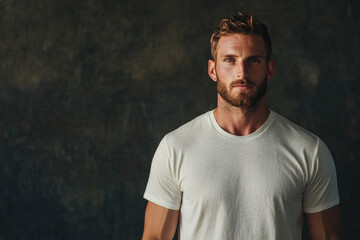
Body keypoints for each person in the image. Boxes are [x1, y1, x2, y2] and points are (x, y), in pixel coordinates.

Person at [142, 12, 341, 240]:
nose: (242, 73)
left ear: (270, 69)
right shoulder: (176, 147)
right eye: (230, 60)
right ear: (212, 70)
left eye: (253, 60)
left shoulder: (309, 150)